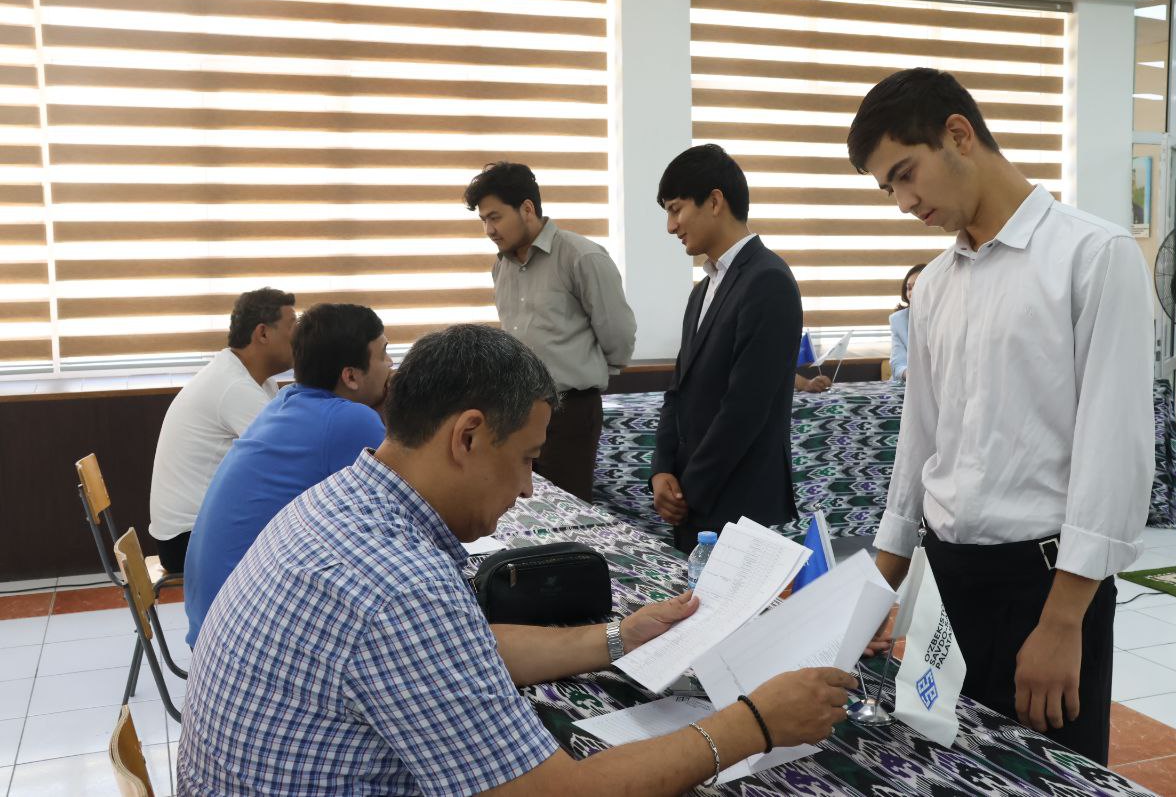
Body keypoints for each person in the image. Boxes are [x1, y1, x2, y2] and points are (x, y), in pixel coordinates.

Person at [177, 324, 856, 795]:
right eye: (528, 459)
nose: (530, 488)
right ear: (468, 436)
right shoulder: (398, 585)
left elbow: (457, 649)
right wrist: (752, 723)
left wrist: (619, 638)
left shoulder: (345, 501)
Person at [849, 68, 1154, 765]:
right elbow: (919, 444)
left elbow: (1114, 450)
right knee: (939, 763)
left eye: (905, 174)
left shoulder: (1092, 256)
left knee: (1043, 773)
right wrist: (877, 589)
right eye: (888, 190)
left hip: (1044, 586)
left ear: (958, 134)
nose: (904, 202)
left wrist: (1063, 620)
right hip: (945, 582)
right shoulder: (933, 285)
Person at [182, 303, 393, 646]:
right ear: (351, 376)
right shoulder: (349, 420)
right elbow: (411, 506)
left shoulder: (286, 401)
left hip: (212, 624)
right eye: (384, 354)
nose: (391, 365)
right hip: (244, 635)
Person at [652, 144, 804, 553]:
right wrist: (662, 471)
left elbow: (745, 408)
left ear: (715, 201)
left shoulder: (768, 280)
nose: (671, 226)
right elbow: (678, 390)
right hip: (695, 499)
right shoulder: (703, 289)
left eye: (676, 209)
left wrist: (687, 491)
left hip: (739, 501)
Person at [466, 162, 637, 502]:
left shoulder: (581, 256)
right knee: (523, 510)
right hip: (518, 409)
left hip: (570, 410)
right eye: (483, 220)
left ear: (527, 208)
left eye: (495, 217)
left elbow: (619, 335)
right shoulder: (501, 267)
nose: (489, 229)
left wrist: (585, 373)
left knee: (568, 511)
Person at [147, 288, 296, 573]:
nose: (300, 338)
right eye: (293, 327)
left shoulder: (252, 378)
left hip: (191, 533)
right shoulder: (235, 387)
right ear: (263, 333)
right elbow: (287, 458)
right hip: (186, 541)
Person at [888, 264, 926, 382]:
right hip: (907, 384)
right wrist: (912, 375)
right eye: (909, 288)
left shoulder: (947, 316)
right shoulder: (898, 320)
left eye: (918, 286)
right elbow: (898, 364)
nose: (911, 292)